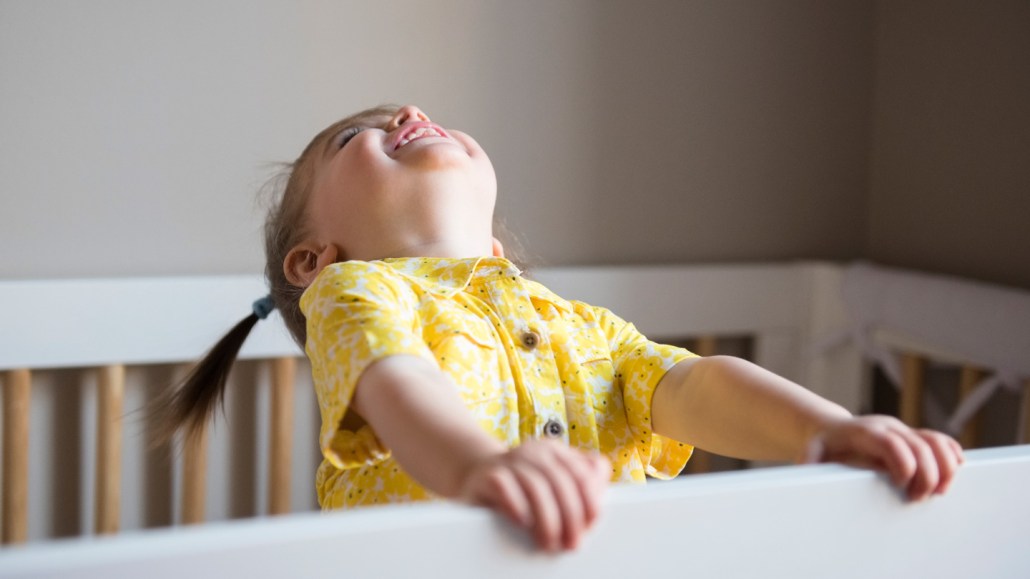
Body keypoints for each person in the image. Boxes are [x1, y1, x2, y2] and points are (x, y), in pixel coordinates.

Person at [157, 104, 963, 552]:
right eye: (351, 136)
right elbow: (398, 382)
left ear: (498, 250)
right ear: (312, 261)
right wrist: (479, 468)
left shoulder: (575, 326)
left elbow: (693, 385)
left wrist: (829, 433)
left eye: (417, 111)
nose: (409, 112)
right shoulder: (356, 293)